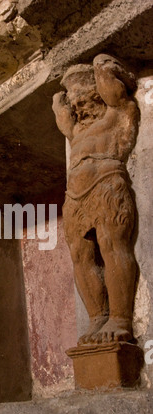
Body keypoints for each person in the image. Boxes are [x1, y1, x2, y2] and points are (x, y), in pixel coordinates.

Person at [52, 54, 139, 345]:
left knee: (113, 246)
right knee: (80, 256)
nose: (79, 108)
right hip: (75, 197)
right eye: (76, 105)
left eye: (86, 101)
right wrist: (66, 89)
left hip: (107, 185)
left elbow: (113, 88)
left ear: (99, 97)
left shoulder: (118, 113)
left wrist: (100, 66)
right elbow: (58, 108)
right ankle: (98, 317)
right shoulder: (75, 132)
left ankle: (120, 319)